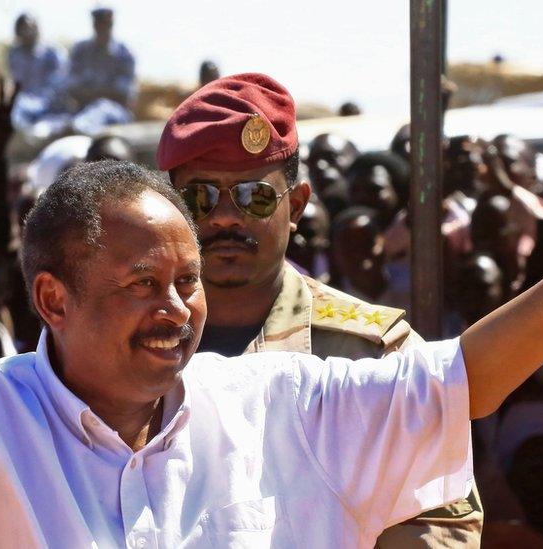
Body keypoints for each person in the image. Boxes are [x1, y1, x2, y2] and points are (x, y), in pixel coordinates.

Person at [0, 3, 543, 546]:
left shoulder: (277, 401)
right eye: (143, 283)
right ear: (53, 297)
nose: (178, 305)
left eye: (185, 281)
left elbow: (466, 377)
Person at [154, 73, 475, 546]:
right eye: (200, 197)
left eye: (253, 196)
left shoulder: (369, 351)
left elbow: (443, 520)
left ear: (297, 205)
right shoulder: (132, 340)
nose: (224, 216)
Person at [64, 6, 135, 134]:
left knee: (102, 107)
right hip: (81, 109)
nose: (102, 28)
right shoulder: (81, 50)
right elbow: (70, 86)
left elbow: (123, 94)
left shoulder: (124, 53)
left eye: (106, 24)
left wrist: (90, 93)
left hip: (115, 113)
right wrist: (102, 92)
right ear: (94, 25)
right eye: (99, 24)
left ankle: (79, 129)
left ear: (111, 24)